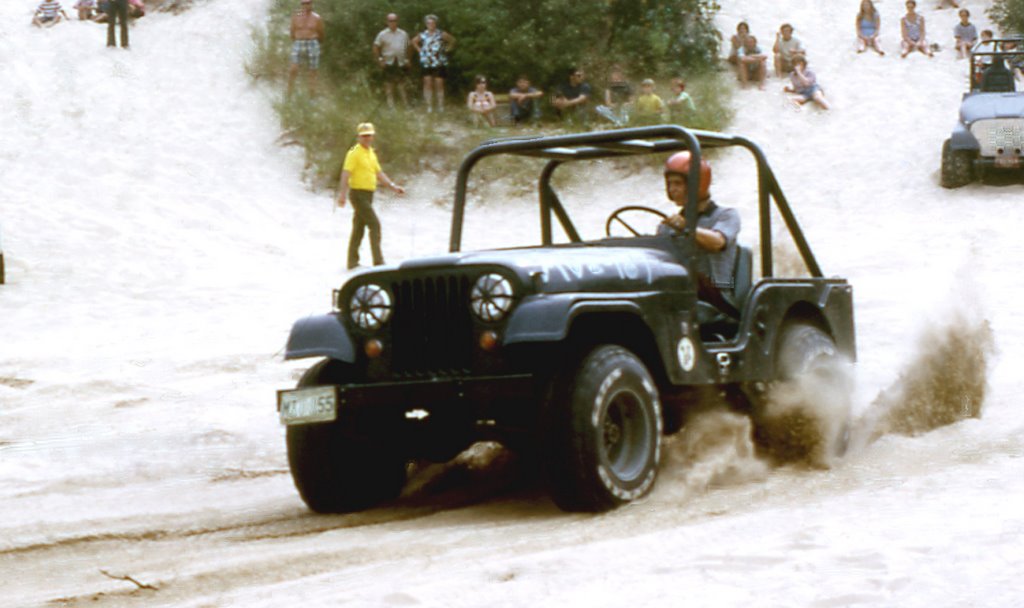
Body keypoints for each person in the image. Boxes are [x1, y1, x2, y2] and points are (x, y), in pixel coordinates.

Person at [658, 151, 741, 318]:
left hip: (722, 286)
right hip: (683, 289)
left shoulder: (726, 215)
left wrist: (686, 227)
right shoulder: (668, 226)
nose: (672, 189)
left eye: (678, 183)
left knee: (686, 278)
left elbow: (717, 242)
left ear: (698, 184)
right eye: (669, 184)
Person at [337, 123, 405, 270]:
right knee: (375, 225)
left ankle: (352, 262)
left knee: (358, 228)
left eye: (370, 135)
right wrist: (342, 195)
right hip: (357, 194)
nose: (367, 138)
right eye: (364, 135)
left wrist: (393, 187)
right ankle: (378, 262)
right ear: (358, 137)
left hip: (368, 195)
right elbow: (345, 173)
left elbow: (379, 173)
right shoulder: (354, 152)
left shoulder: (371, 153)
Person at [411, 14, 455, 113]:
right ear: (426, 24)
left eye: (432, 23)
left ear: (436, 23)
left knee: (439, 84)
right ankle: (429, 106)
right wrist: (420, 51)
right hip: (426, 62)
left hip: (439, 62)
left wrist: (447, 50)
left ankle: (440, 106)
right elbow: (413, 41)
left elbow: (452, 41)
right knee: (427, 83)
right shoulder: (423, 34)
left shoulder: (441, 34)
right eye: (428, 23)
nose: (431, 25)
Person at [374, 13, 411, 108]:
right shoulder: (382, 34)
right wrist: (380, 59)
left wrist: (408, 59)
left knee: (402, 84)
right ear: (387, 22)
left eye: (394, 20)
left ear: (397, 21)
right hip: (388, 61)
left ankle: (406, 105)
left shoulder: (403, 34)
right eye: (390, 21)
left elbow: (409, 47)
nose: (393, 23)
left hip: (400, 61)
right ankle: (391, 106)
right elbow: (375, 47)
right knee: (389, 84)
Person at [288, 0, 325, 96]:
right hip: (299, 41)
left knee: (313, 70)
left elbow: (321, 33)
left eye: (308, 3)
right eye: (304, 3)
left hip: (312, 42)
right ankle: (289, 94)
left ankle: (312, 96)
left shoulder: (317, 18)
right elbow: (292, 31)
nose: (306, 5)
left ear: (311, 4)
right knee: (293, 69)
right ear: (301, 4)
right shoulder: (296, 17)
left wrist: (317, 42)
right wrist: (297, 39)